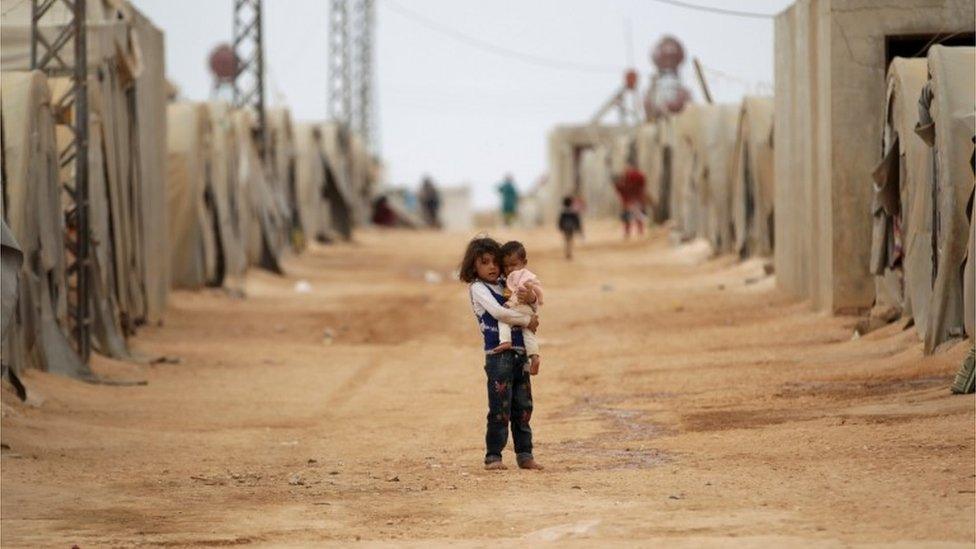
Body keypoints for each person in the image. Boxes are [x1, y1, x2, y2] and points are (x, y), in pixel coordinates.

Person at [459, 237, 543, 471]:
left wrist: (531, 299)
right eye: (484, 262)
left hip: (520, 354)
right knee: (500, 409)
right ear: (473, 266)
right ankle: (493, 455)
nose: (492, 267)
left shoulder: (507, 283)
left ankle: (525, 454)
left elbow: (531, 302)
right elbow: (498, 312)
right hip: (498, 357)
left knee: (523, 407)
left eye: (495, 262)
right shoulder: (478, 288)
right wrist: (529, 320)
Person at [495, 241, 543, 375]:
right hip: (528, 311)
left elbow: (527, 295)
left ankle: (505, 341)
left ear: (524, 262)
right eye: (505, 266)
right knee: (528, 334)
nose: (509, 269)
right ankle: (534, 357)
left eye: (513, 265)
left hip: (519, 308)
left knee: (503, 320)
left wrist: (530, 298)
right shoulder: (522, 277)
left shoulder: (520, 279)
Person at [614, 161, 647, 239]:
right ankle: (639, 231)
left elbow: (620, 188)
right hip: (636, 199)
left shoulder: (627, 177)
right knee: (637, 215)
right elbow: (643, 187)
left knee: (629, 216)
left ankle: (629, 232)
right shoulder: (639, 176)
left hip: (629, 200)